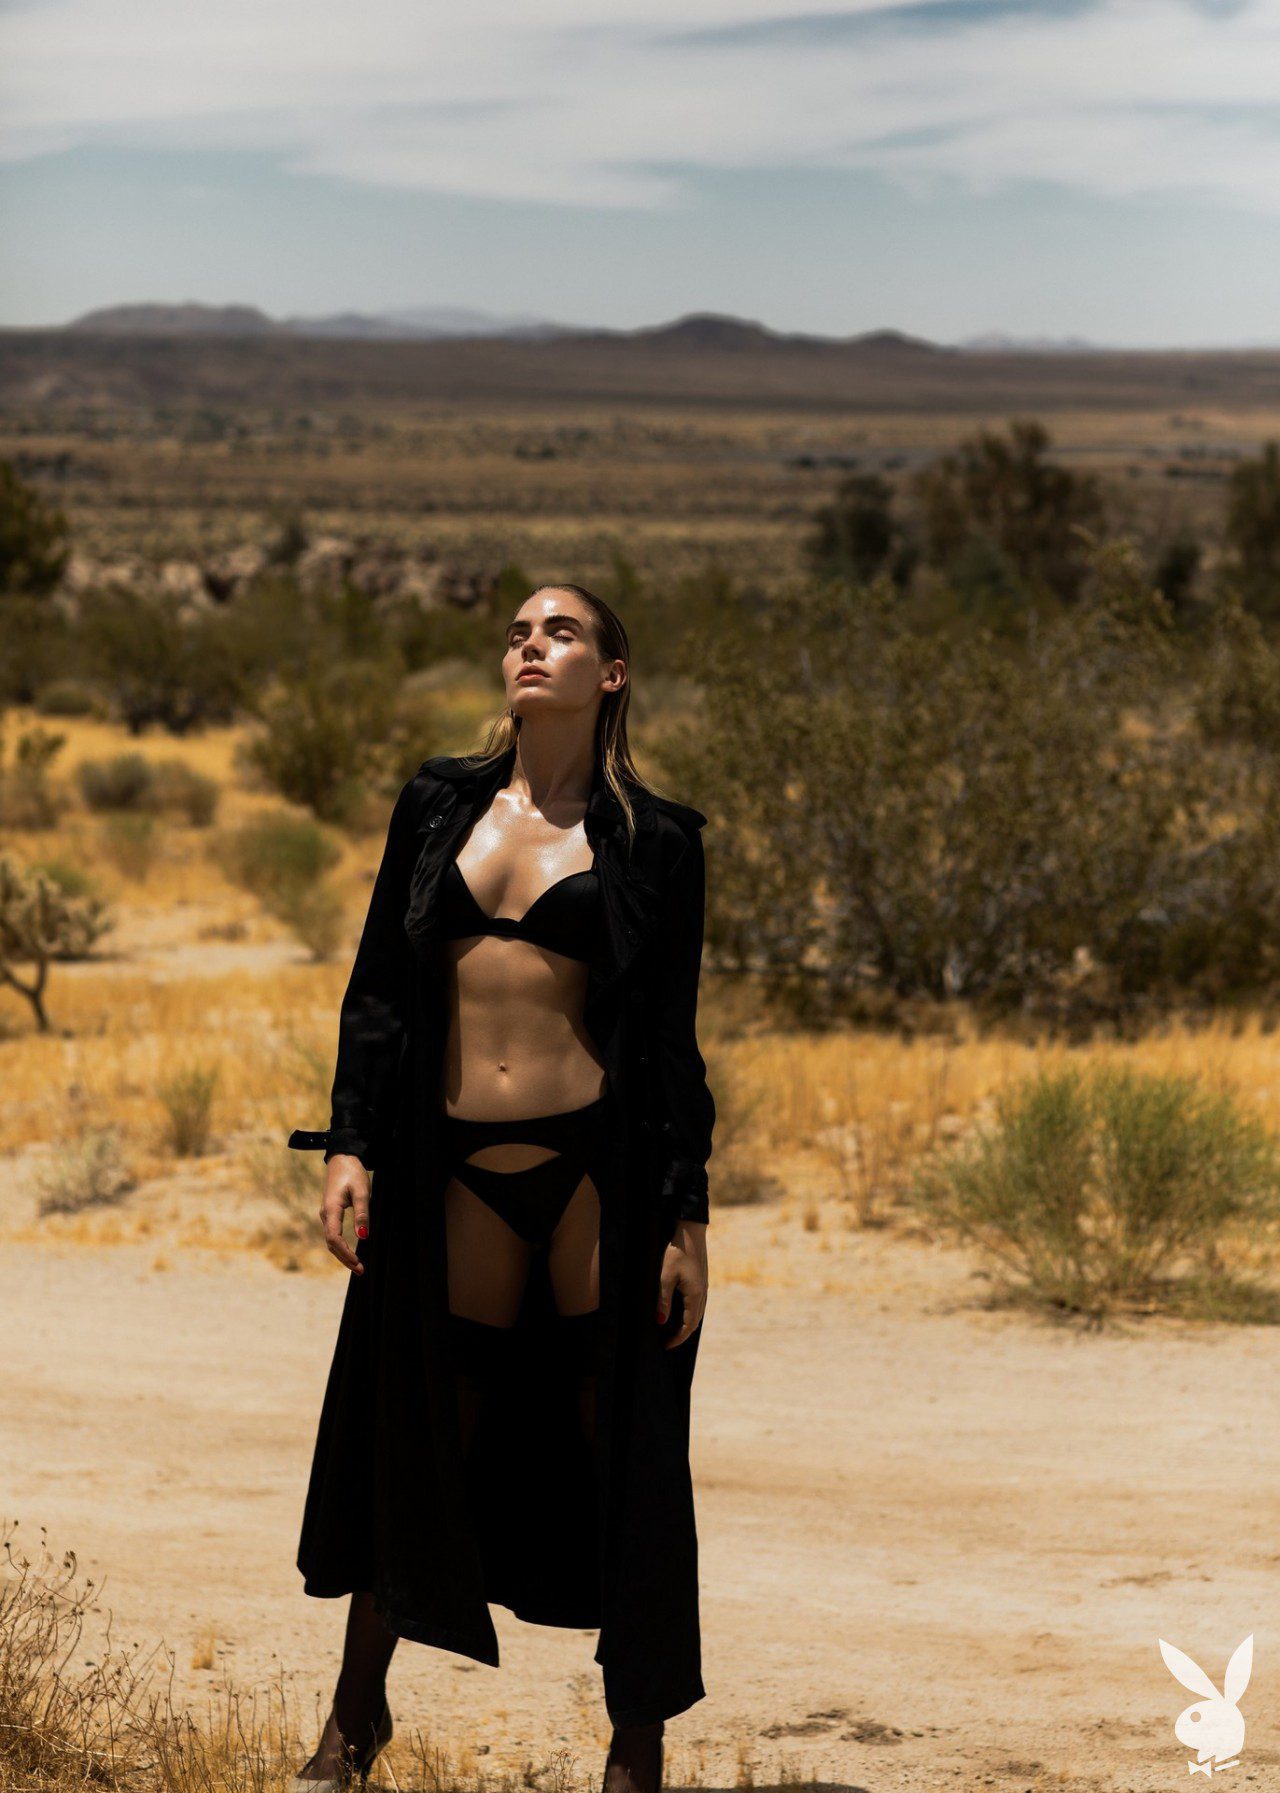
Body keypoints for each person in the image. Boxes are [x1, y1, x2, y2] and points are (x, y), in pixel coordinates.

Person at [287, 583, 716, 1793]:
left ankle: (635, 1747)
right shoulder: (438, 803)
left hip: (595, 1174)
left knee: (623, 1441)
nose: (532, 644)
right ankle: (355, 1717)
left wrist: (684, 1215)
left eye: (561, 631)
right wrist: (349, 1143)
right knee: (422, 1419)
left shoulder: (656, 839)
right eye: (520, 632)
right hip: (449, 1169)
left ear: (610, 673)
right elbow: (379, 986)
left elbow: (669, 1040)